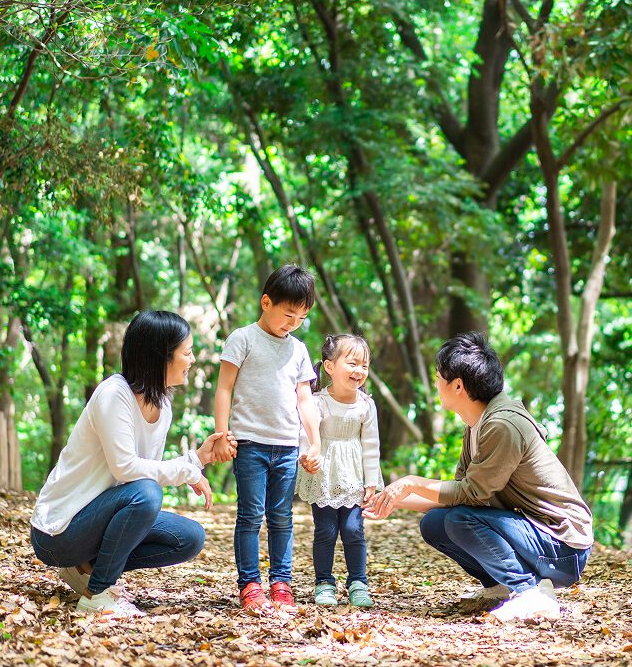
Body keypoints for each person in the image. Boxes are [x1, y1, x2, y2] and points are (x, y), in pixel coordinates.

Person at [364, 332, 593, 622]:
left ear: (457, 385)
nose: (436, 383)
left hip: (564, 546)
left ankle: (529, 592)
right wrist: (390, 500)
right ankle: (501, 587)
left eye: (438, 377)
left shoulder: (503, 424)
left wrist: (412, 482)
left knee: (460, 520)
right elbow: (457, 496)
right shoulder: (476, 424)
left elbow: (471, 495)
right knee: (435, 524)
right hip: (537, 536)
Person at [30, 310, 236, 618]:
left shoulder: (162, 405)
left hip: (97, 518)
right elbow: (126, 470)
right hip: (58, 532)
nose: (192, 360)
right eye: (187, 353)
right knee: (148, 494)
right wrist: (185, 471)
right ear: (160, 357)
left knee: (189, 538)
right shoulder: (114, 395)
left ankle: (87, 568)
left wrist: (197, 458)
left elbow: (144, 468)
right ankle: (97, 594)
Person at [211, 264, 322, 612]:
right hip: (250, 444)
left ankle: (281, 583)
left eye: (301, 317)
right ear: (266, 302)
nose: (292, 323)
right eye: (288, 313)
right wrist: (221, 432)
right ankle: (249, 584)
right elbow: (224, 387)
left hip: (287, 446)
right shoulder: (243, 338)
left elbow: (305, 399)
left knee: (282, 517)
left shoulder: (299, 350)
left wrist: (314, 443)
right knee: (250, 515)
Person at [296, 334, 382, 608]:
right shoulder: (319, 402)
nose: (359, 371)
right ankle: (324, 582)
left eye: (364, 366)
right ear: (330, 366)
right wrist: (306, 456)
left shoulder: (366, 405)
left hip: (353, 476)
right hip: (324, 477)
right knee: (326, 530)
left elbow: (371, 445)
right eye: (352, 363)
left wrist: (371, 481)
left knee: (354, 529)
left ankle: (358, 582)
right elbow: (305, 434)